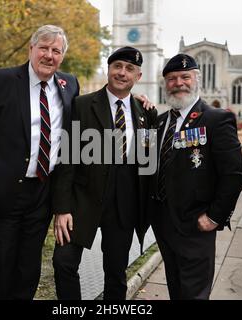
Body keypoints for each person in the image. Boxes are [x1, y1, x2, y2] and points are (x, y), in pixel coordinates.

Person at [0, 25, 80, 300]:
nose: (49, 55)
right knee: (2, 270)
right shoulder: (0, 80)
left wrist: (132, 99)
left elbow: (94, 108)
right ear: (31, 49)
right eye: (44, 48)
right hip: (1, 194)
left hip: (41, 195)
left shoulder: (69, 84)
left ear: (62, 56)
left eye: (56, 50)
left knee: (29, 271)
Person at [51, 46, 157, 300]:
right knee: (64, 263)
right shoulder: (82, 105)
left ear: (138, 76)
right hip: (81, 201)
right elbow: (67, 160)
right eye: (117, 66)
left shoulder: (146, 113)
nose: (122, 73)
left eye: (129, 69)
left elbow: (149, 163)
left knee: (115, 272)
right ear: (108, 69)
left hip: (123, 205)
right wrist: (62, 208)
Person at [149, 53, 242, 300]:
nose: (178, 83)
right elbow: (145, 164)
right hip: (163, 222)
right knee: (175, 285)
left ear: (196, 80)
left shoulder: (216, 119)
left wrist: (215, 216)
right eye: (171, 78)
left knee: (194, 292)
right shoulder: (159, 123)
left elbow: (234, 175)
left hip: (196, 223)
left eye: (185, 77)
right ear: (165, 84)